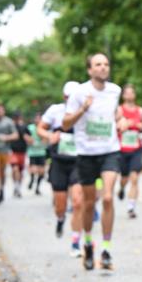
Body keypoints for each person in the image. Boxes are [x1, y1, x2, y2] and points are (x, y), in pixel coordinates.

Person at [63, 54, 123, 271]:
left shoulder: (115, 91)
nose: (103, 67)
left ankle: (106, 249)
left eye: (106, 64)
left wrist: (121, 120)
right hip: (86, 154)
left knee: (107, 198)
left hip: (110, 151)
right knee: (89, 204)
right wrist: (83, 109)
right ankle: (88, 243)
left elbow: (114, 114)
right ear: (90, 70)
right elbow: (65, 124)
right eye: (98, 64)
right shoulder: (79, 93)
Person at [41, 82, 84, 257]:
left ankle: (75, 242)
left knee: (78, 202)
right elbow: (41, 128)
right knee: (60, 205)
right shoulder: (55, 111)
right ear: (64, 97)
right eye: (68, 97)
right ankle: (60, 218)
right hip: (59, 161)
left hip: (79, 162)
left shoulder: (85, 112)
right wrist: (50, 135)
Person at [116, 84, 142, 219]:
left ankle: (131, 207)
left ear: (134, 95)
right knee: (124, 178)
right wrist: (122, 124)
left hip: (136, 148)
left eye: (131, 92)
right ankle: (122, 188)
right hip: (122, 149)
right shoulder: (119, 110)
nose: (129, 95)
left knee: (134, 178)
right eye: (127, 93)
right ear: (123, 96)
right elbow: (115, 125)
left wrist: (137, 125)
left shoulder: (140, 111)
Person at [26, 111, 48, 195]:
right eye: (36, 118)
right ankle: (32, 179)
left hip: (41, 152)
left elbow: (45, 140)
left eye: (39, 118)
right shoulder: (30, 128)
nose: (37, 120)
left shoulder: (44, 127)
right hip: (32, 152)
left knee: (42, 171)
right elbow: (27, 137)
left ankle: (37, 187)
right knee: (33, 169)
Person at [9, 113, 30, 198]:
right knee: (15, 169)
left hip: (22, 152)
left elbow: (30, 138)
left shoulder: (24, 127)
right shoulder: (11, 127)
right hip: (13, 151)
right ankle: (16, 185)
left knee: (20, 171)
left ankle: (18, 186)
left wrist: (27, 138)